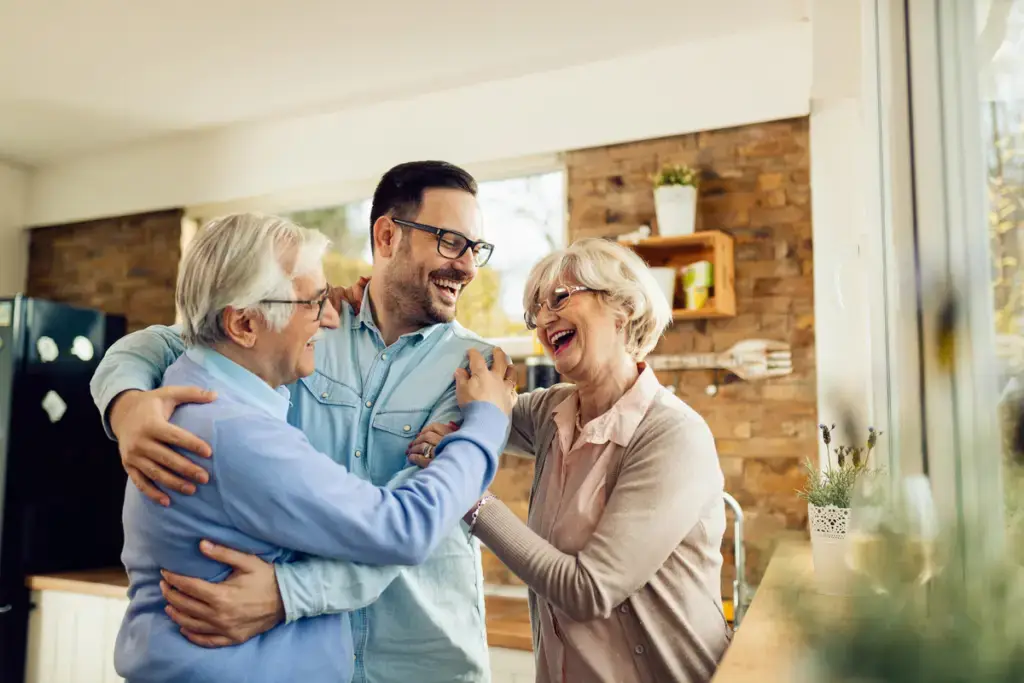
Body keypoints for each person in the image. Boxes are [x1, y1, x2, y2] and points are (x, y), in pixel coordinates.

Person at [90, 162, 505, 683]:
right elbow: (163, 341)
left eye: (476, 248)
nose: (468, 266)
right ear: (386, 235)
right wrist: (126, 403)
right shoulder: (301, 325)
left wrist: (291, 594)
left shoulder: (477, 375)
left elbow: (409, 525)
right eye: (450, 241)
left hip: (419, 661)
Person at [408, 238, 733, 683]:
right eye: (534, 312)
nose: (543, 320)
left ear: (624, 307)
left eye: (559, 298)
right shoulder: (551, 414)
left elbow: (588, 590)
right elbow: (481, 410)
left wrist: (470, 499)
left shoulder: (672, 434)